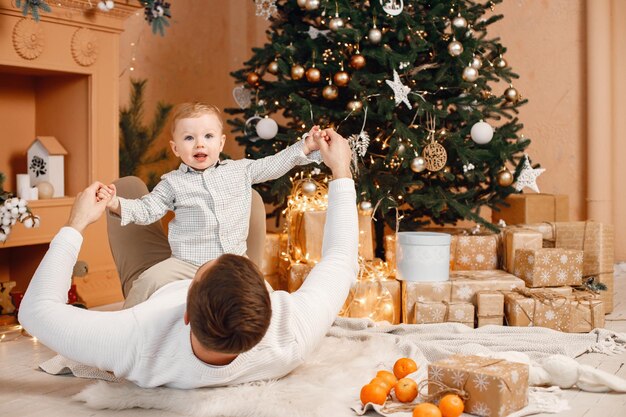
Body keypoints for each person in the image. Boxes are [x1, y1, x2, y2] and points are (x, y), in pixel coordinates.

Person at [18, 129, 358, 389]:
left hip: (159, 281)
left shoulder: (133, 339)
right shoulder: (293, 334)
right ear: (269, 306)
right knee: (249, 199)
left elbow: (35, 311)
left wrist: (76, 223)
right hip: (201, 251)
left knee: (128, 187)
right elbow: (341, 259)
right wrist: (341, 168)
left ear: (184, 313)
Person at [97, 103, 325, 306]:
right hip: (187, 264)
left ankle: (279, 327)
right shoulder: (172, 183)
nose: (199, 144)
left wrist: (305, 146)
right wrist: (115, 203)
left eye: (208, 136)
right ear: (176, 148)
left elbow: (274, 164)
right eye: (189, 138)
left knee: (266, 297)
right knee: (147, 281)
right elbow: (147, 209)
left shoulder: (240, 170)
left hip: (234, 261)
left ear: (221, 141)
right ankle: (125, 326)